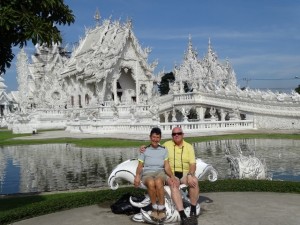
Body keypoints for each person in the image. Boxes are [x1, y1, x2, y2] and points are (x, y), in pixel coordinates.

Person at [140, 127, 199, 225]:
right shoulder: (166, 145)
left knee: (194, 181)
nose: (176, 135)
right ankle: (182, 215)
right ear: (172, 136)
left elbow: (193, 164)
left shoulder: (189, 146)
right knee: (173, 184)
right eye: (174, 134)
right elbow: (154, 146)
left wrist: (190, 174)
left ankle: (193, 211)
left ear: (182, 135)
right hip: (171, 174)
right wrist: (143, 148)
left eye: (179, 133)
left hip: (184, 174)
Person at [134, 127, 173, 222]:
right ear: (150, 137)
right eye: (153, 137)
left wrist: (172, 176)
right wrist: (137, 177)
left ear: (160, 138)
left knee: (159, 181)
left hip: (160, 172)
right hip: (147, 173)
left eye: (157, 137)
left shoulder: (164, 150)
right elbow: (140, 166)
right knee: (151, 183)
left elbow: (167, 166)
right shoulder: (144, 150)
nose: (155, 139)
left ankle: (162, 208)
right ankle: (154, 208)